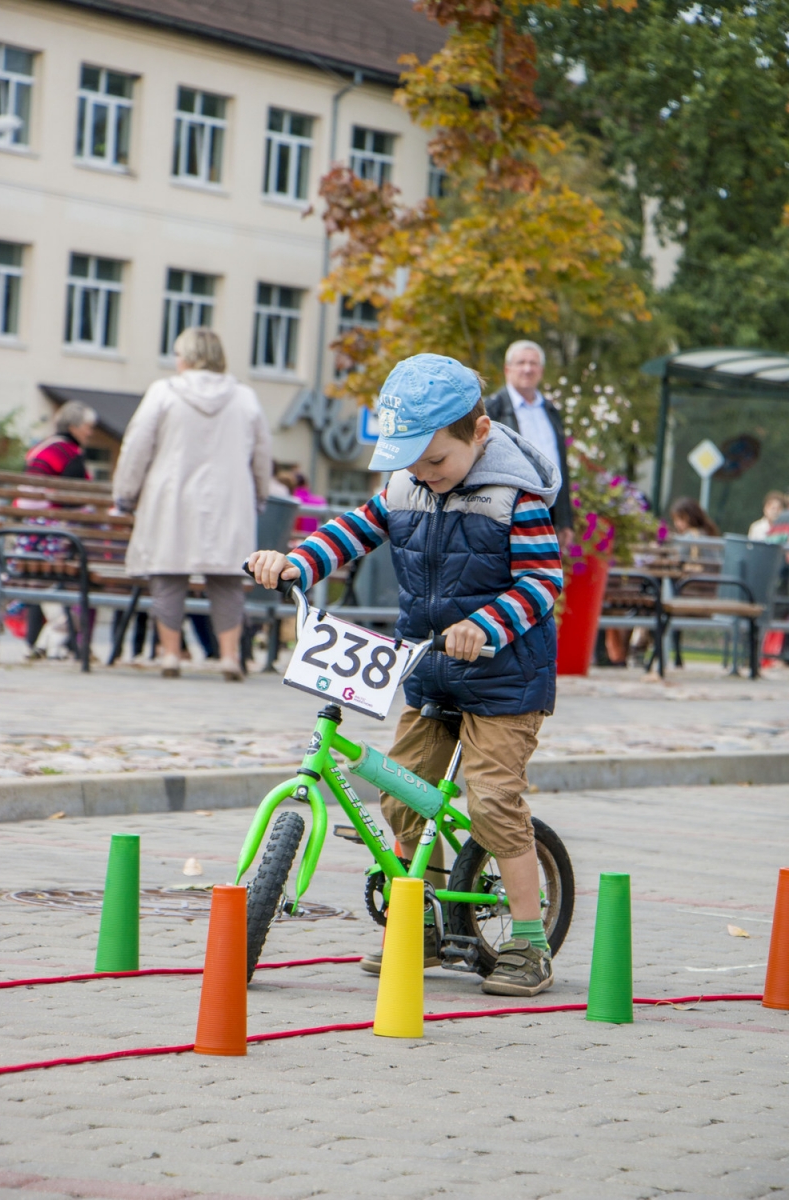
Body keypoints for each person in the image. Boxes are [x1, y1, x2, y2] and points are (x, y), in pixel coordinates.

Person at [248, 353, 563, 997]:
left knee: (495, 802)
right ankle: (417, 923)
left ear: (477, 435)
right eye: (411, 462)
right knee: (399, 792)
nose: (422, 474)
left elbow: (543, 581)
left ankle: (529, 945)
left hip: (503, 677)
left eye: (434, 461)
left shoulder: (515, 496)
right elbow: (351, 532)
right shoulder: (404, 486)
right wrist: (297, 563)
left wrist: (490, 624)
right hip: (428, 668)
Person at [113, 326, 271, 681]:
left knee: (168, 573)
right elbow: (262, 454)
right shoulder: (245, 397)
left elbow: (137, 446)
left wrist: (125, 492)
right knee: (228, 578)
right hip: (229, 498)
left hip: (171, 496)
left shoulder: (163, 392)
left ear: (186, 356)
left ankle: (170, 655)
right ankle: (230, 658)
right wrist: (260, 494)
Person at [22, 401, 97, 657]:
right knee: (81, 573)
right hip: (52, 536)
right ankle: (60, 639)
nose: (90, 433)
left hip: (28, 535)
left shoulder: (42, 447)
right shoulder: (70, 453)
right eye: (88, 427)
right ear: (75, 426)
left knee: (47, 585)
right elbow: (73, 498)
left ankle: (44, 642)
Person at [486, 340, 573, 547]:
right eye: (521, 362)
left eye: (533, 363)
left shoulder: (551, 411)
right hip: (510, 511)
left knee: (543, 573)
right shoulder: (492, 409)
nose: (527, 369)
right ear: (508, 369)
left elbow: (560, 466)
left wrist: (566, 521)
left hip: (548, 509)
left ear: (541, 370)